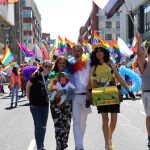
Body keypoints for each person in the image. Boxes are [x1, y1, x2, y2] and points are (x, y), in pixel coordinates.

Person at [88, 45, 135, 150]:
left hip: (113, 93)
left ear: (105, 53)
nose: (99, 53)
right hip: (100, 96)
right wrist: (88, 96)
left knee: (114, 120)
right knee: (105, 119)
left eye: (101, 51)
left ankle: (109, 138)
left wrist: (129, 90)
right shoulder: (93, 67)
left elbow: (119, 77)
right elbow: (89, 83)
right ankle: (107, 143)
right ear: (95, 55)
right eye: (97, 52)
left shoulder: (110, 63)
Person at [26, 60, 53, 150]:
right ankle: (39, 147)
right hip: (35, 105)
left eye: (50, 66)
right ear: (42, 66)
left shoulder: (51, 76)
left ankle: (41, 145)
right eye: (46, 66)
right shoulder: (36, 75)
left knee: (43, 126)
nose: (48, 68)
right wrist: (28, 98)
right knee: (38, 125)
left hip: (45, 105)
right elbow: (27, 86)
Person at [69, 44, 91, 150]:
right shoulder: (69, 64)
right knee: (76, 121)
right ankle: (79, 146)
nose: (77, 53)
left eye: (79, 51)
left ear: (82, 52)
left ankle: (79, 141)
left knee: (83, 122)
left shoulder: (89, 62)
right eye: (75, 51)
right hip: (75, 97)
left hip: (86, 96)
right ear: (72, 52)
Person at [48, 56, 72, 150]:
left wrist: (63, 93)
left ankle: (63, 144)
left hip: (67, 103)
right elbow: (48, 89)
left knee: (66, 125)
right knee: (58, 126)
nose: (61, 64)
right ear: (56, 64)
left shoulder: (69, 75)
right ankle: (59, 147)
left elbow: (72, 89)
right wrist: (54, 94)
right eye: (60, 63)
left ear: (66, 65)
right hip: (55, 104)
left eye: (63, 63)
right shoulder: (51, 74)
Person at [136, 33, 150, 149]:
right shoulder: (145, 64)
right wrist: (139, 40)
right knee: (149, 116)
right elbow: (139, 54)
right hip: (148, 94)